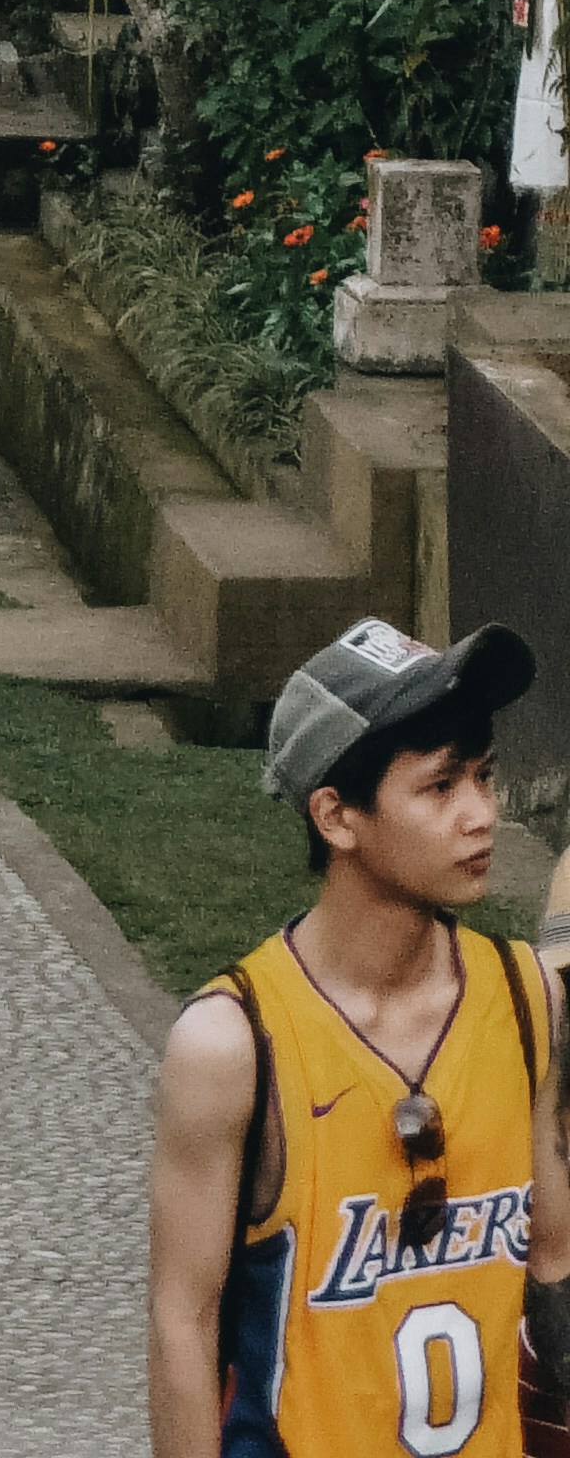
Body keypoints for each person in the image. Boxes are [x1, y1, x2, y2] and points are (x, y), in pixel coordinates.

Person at [145, 615, 570, 1458]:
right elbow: (181, 1326)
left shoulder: (526, 1000)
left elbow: (553, 1264)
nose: (482, 814)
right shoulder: (234, 1046)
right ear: (337, 817)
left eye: (485, 777)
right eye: (441, 787)